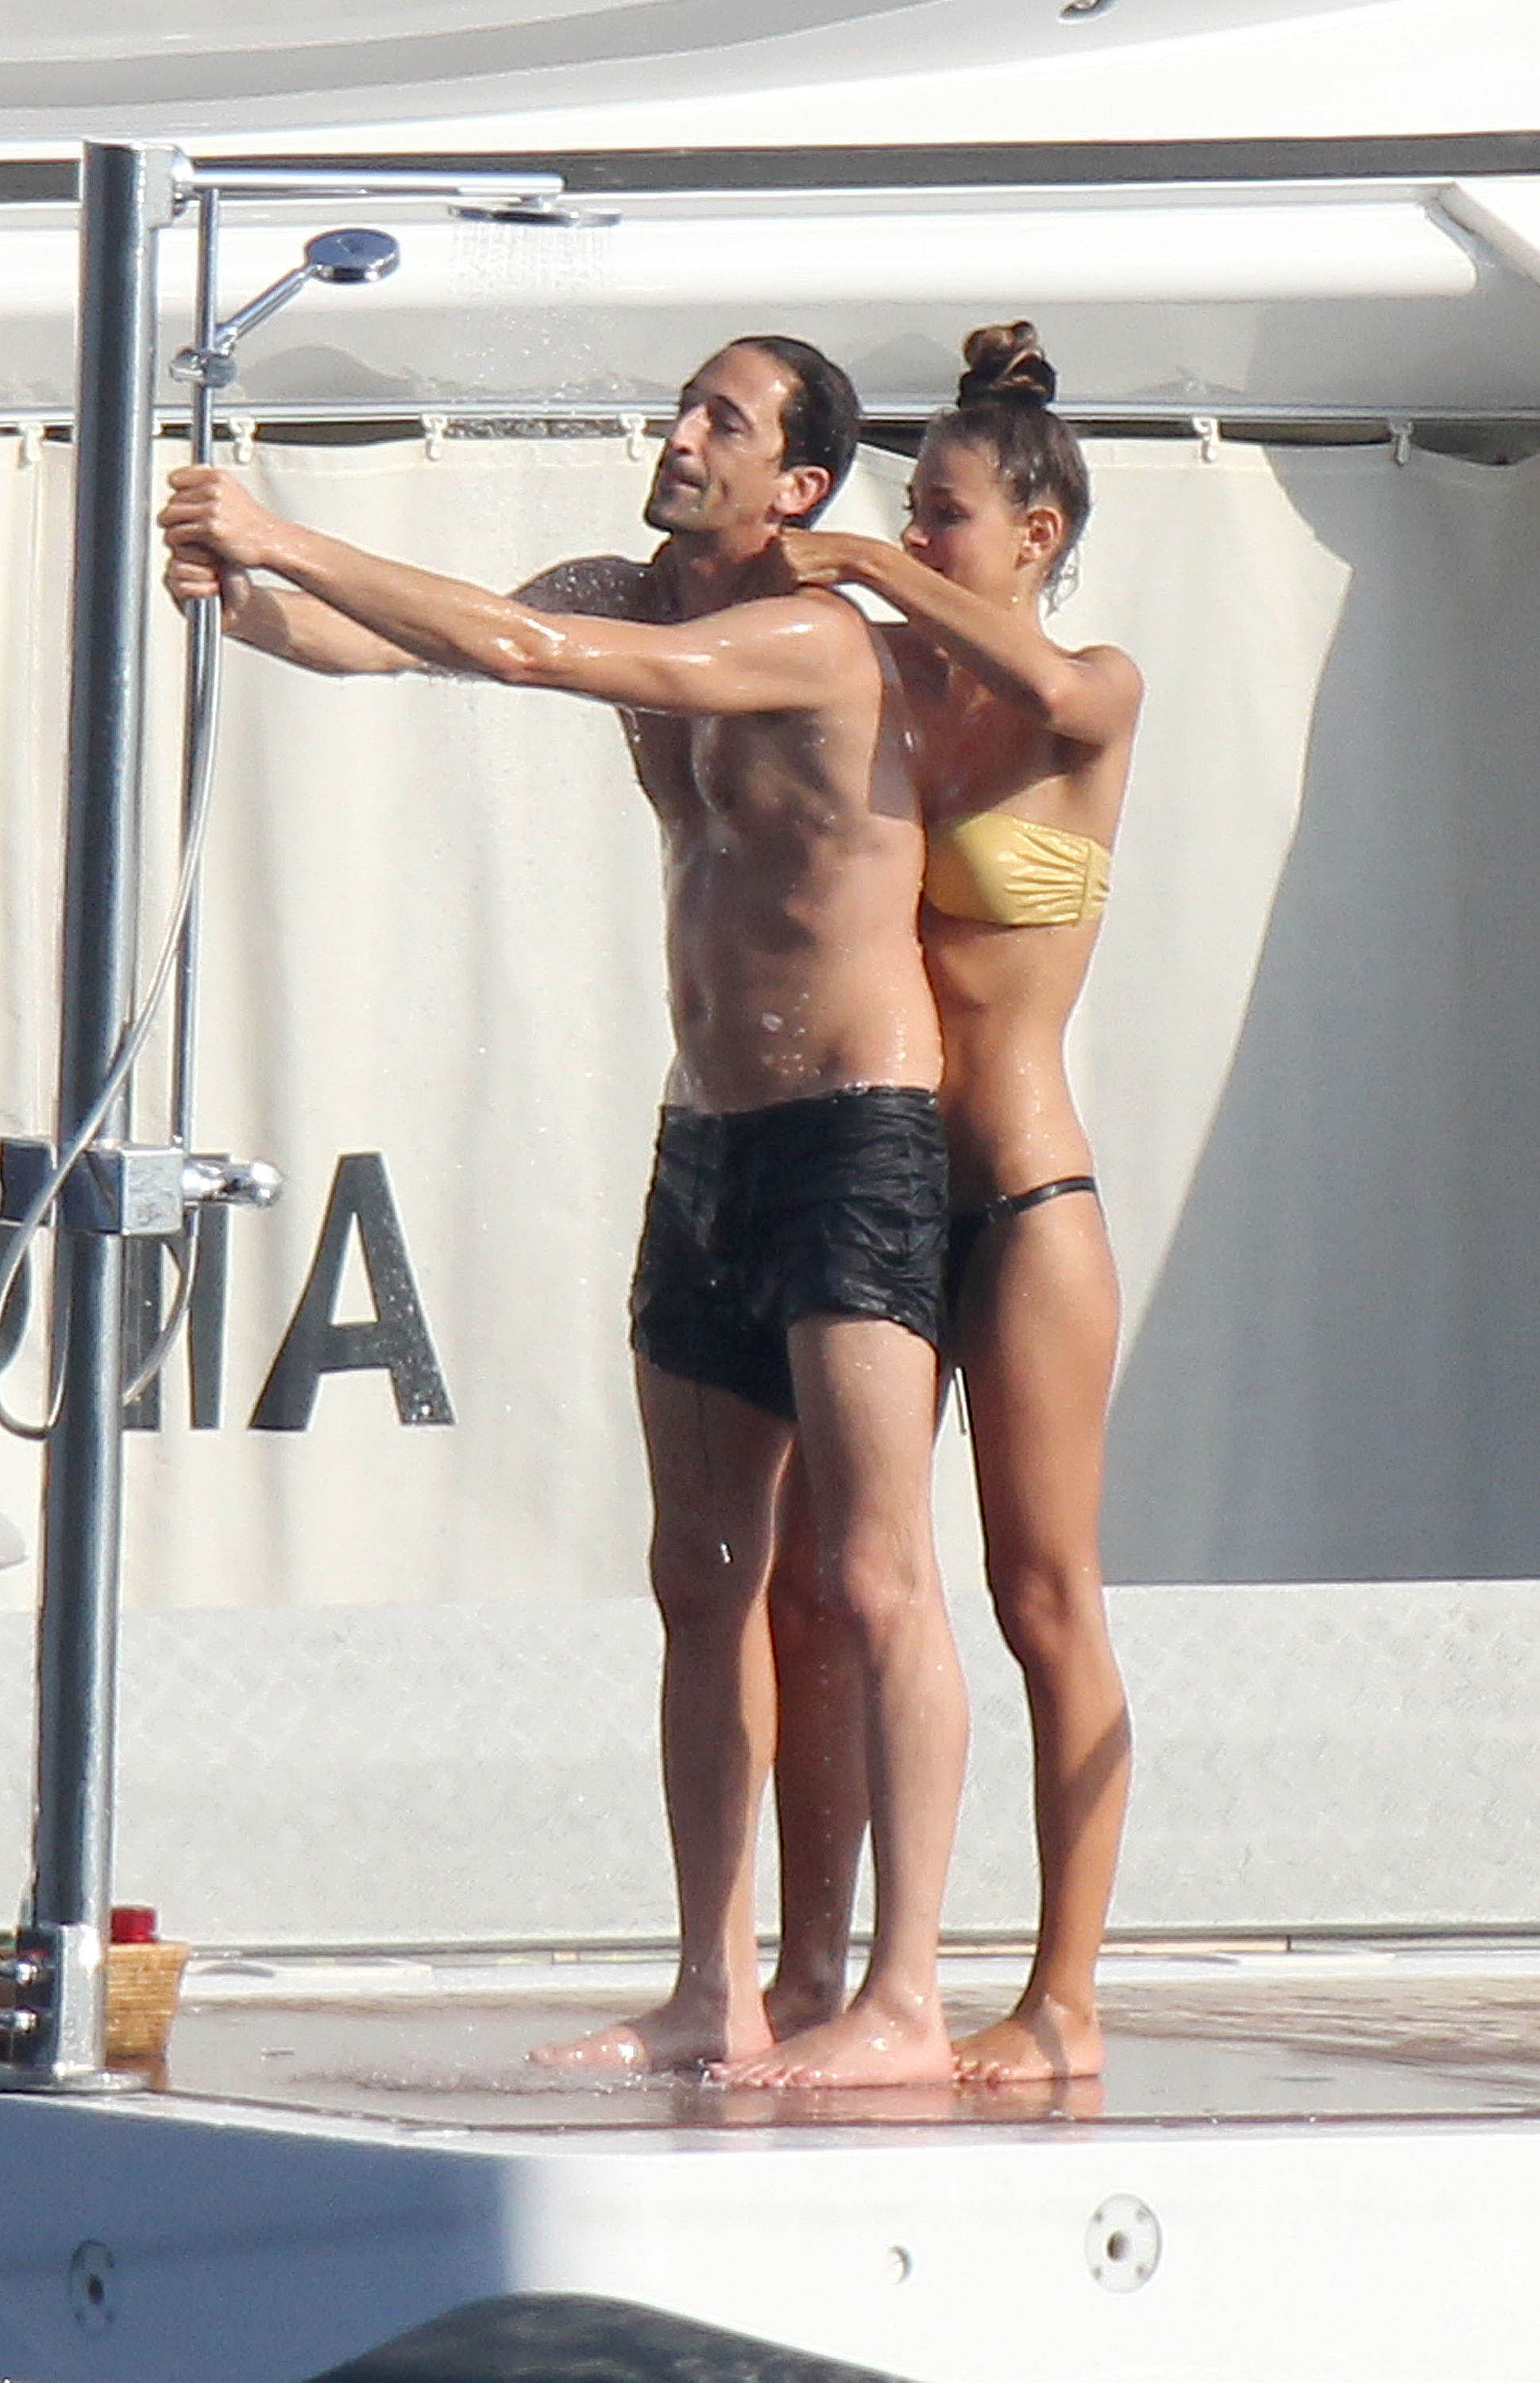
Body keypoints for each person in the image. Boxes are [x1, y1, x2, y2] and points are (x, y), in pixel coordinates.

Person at [160, 337, 970, 2089]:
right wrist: (242, 596)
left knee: (871, 1577)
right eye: (682, 405)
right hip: (711, 1140)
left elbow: (521, 653)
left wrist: (284, 528)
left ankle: (900, 1994)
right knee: (700, 1576)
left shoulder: (812, 638)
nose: (679, 435)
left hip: (857, 1135)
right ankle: (711, 1986)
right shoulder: (623, 588)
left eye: (723, 421)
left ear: (799, 486)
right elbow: (395, 643)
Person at [761, 322, 1141, 2085]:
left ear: (1036, 535)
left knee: (1042, 1595)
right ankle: (819, 1971)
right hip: (894, 1191)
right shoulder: (896, 688)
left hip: (1031, 1197)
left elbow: (1057, 692)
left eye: (943, 514)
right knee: (835, 1585)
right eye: (907, 509)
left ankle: (1063, 1996)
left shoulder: (1092, 694)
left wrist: (859, 559)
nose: (914, 536)